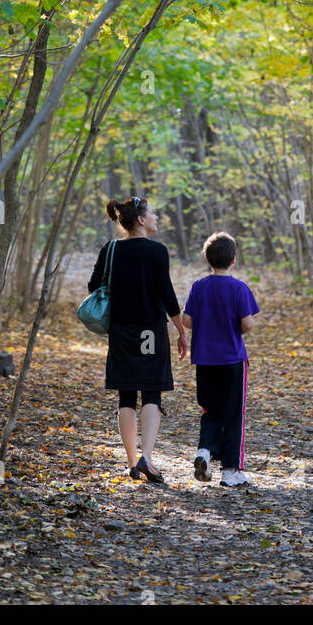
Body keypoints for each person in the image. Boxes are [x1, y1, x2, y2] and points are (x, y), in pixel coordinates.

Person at [88, 195, 188, 484]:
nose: (156, 217)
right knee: (152, 392)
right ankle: (147, 457)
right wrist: (181, 331)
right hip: (151, 332)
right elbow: (167, 295)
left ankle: (132, 462)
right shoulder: (157, 251)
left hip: (120, 332)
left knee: (126, 395)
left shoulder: (110, 250)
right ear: (141, 220)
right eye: (153, 213)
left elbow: (94, 286)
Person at [182, 231, 259, 488]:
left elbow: (187, 321)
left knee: (210, 409)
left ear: (208, 260)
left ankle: (204, 451)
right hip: (232, 360)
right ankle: (231, 470)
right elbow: (247, 325)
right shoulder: (239, 288)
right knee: (234, 413)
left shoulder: (199, 287)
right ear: (233, 260)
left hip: (205, 360)